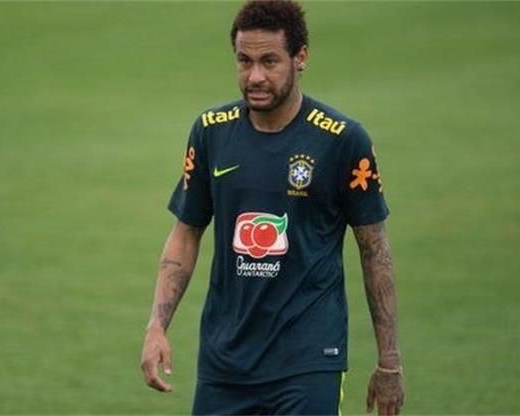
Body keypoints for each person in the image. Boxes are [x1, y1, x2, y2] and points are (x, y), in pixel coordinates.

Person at [140, 1, 404, 415]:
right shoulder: (211, 132)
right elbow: (186, 233)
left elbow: (375, 251)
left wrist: (389, 362)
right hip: (225, 362)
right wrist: (157, 326)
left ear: (301, 57)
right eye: (244, 61)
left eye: (269, 61)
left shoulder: (342, 141)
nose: (255, 77)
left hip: (308, 361)